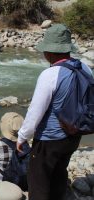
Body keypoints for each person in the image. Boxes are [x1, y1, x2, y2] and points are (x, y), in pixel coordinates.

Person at [16, 24, 93, 200]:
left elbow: (35, 112)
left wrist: (22, 137)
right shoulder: (84, 68)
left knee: (39, 181)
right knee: (59, 172)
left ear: (49, 52)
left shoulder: (49, 75)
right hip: (74, 134)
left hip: (49, 139)